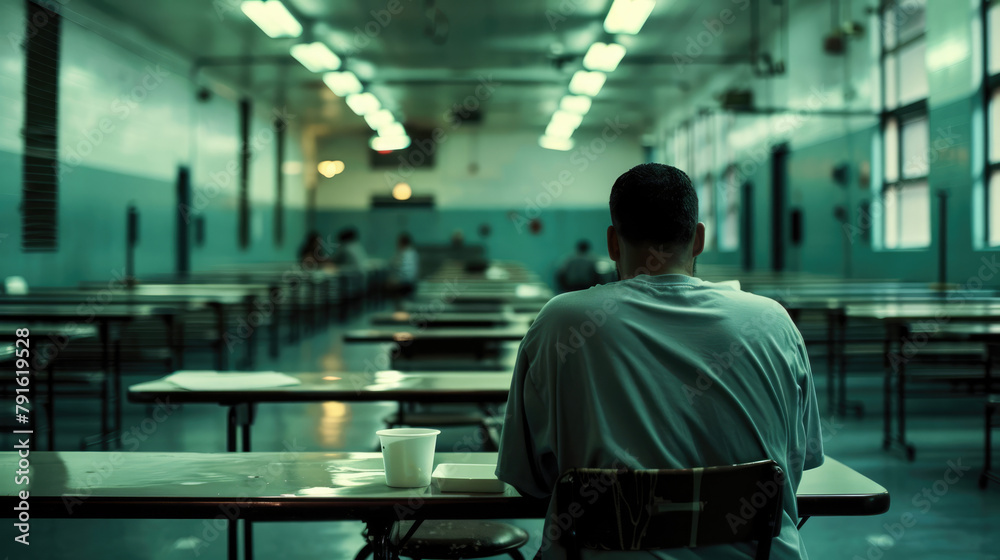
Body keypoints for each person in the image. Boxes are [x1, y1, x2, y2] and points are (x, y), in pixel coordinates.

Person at [496, 163, 823, 560]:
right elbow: (794, 464)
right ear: (698, 239)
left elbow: (529, 480)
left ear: (613, 243)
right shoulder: (773, 321)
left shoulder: (560, 322)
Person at [389, 232, 419, 304]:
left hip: (405, 284)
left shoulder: (405, 254)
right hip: (411, 283)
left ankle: (398, 306)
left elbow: (405, 272)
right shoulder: (412, 253)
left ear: (402, 243)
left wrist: (395, 280)